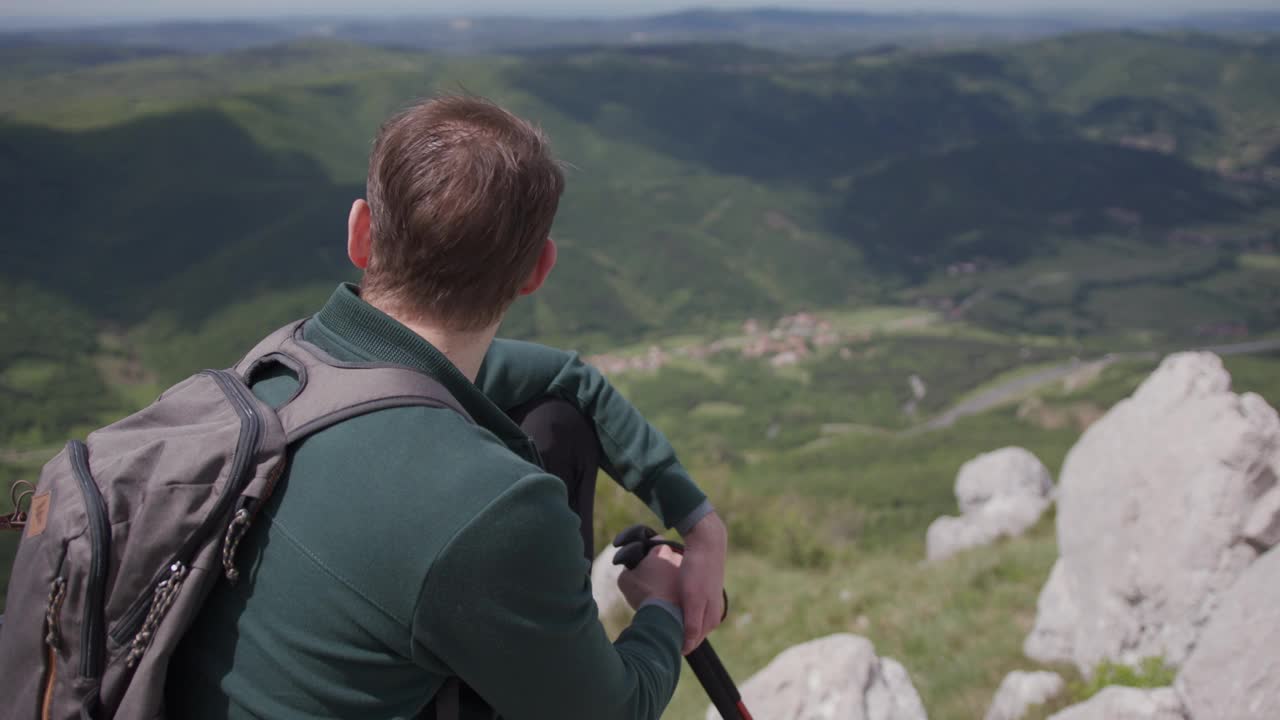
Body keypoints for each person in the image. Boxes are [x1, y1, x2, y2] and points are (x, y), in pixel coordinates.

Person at [165, 95, 728, 719]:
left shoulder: (280, 366)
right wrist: (661, 605)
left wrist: (700, 521)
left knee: (555, 419)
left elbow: (569, 381)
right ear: (537, 270)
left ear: (360, 233)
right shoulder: (496, 508)